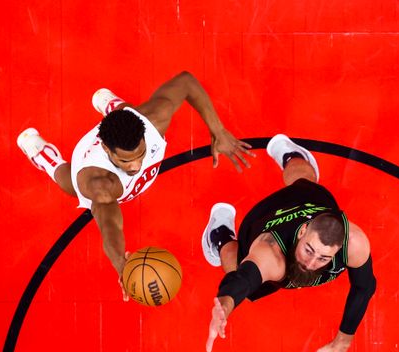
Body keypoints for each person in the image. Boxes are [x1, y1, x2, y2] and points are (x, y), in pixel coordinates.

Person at [16, 71, 254, 299]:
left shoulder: (151, 122)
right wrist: (121, 263)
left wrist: (218, 131)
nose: (136, 166)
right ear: (108, 150)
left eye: (140, 154)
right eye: (126, 160)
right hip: (87, 166)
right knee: (67, 182)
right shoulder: (99, 184)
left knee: (132, 113)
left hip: (130, 123)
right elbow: (110, 226)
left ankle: (111, 105)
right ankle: (43, 155)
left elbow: (186, 82)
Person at [202, 134, 377, 352]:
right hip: (260, 223)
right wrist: (225, 303)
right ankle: (220, 234)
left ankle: (292, 156)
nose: (311, 263)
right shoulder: (272, 254)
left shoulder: (355, 244)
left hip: (312, 202)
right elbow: (245, 278)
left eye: (324, 259)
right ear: (303, 231)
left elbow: (364, 287)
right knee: (237, 265)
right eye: (309, 250)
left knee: (305, 182)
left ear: (339, 250)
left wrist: (341, 345)